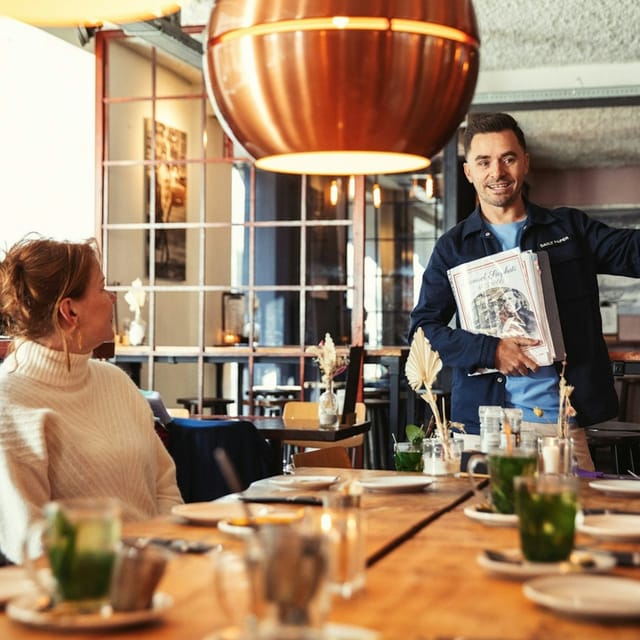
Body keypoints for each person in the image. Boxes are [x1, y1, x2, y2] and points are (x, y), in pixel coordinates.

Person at [409, 112, 640, 470]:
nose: (497, 172)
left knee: (568, 523)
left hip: (562, 425)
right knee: (479, 525)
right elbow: (423, 331)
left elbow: (632, 252)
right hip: (482, 430)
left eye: (508, 158)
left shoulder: (570, 228)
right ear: (469, 171)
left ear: (525, 163)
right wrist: (491, 351)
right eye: (483, 162)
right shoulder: (451, 248)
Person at [0, 236, 183, 563]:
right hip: (76, 592)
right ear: (69, 310)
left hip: (156, 574)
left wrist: (164, 558)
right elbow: (32, 543)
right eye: (101, 288)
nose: (112, 297)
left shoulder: (116, 383)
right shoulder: (9, 404)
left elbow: (165, 487)